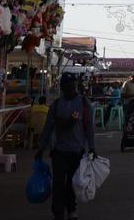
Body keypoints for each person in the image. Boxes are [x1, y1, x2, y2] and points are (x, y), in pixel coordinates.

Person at [36, 74, 96, 220]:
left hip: (77, 151)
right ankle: (58, 212)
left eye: (73, 84)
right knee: (58, 184)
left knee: (72, 183)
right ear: (63, 87)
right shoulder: (56, 104)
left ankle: (71, 209)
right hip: (59, 151)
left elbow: (89, 127)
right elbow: (48, 127)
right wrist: (41, 148)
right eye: (69, 85)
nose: (72, 88)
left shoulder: (83, 103)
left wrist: (92, 147)